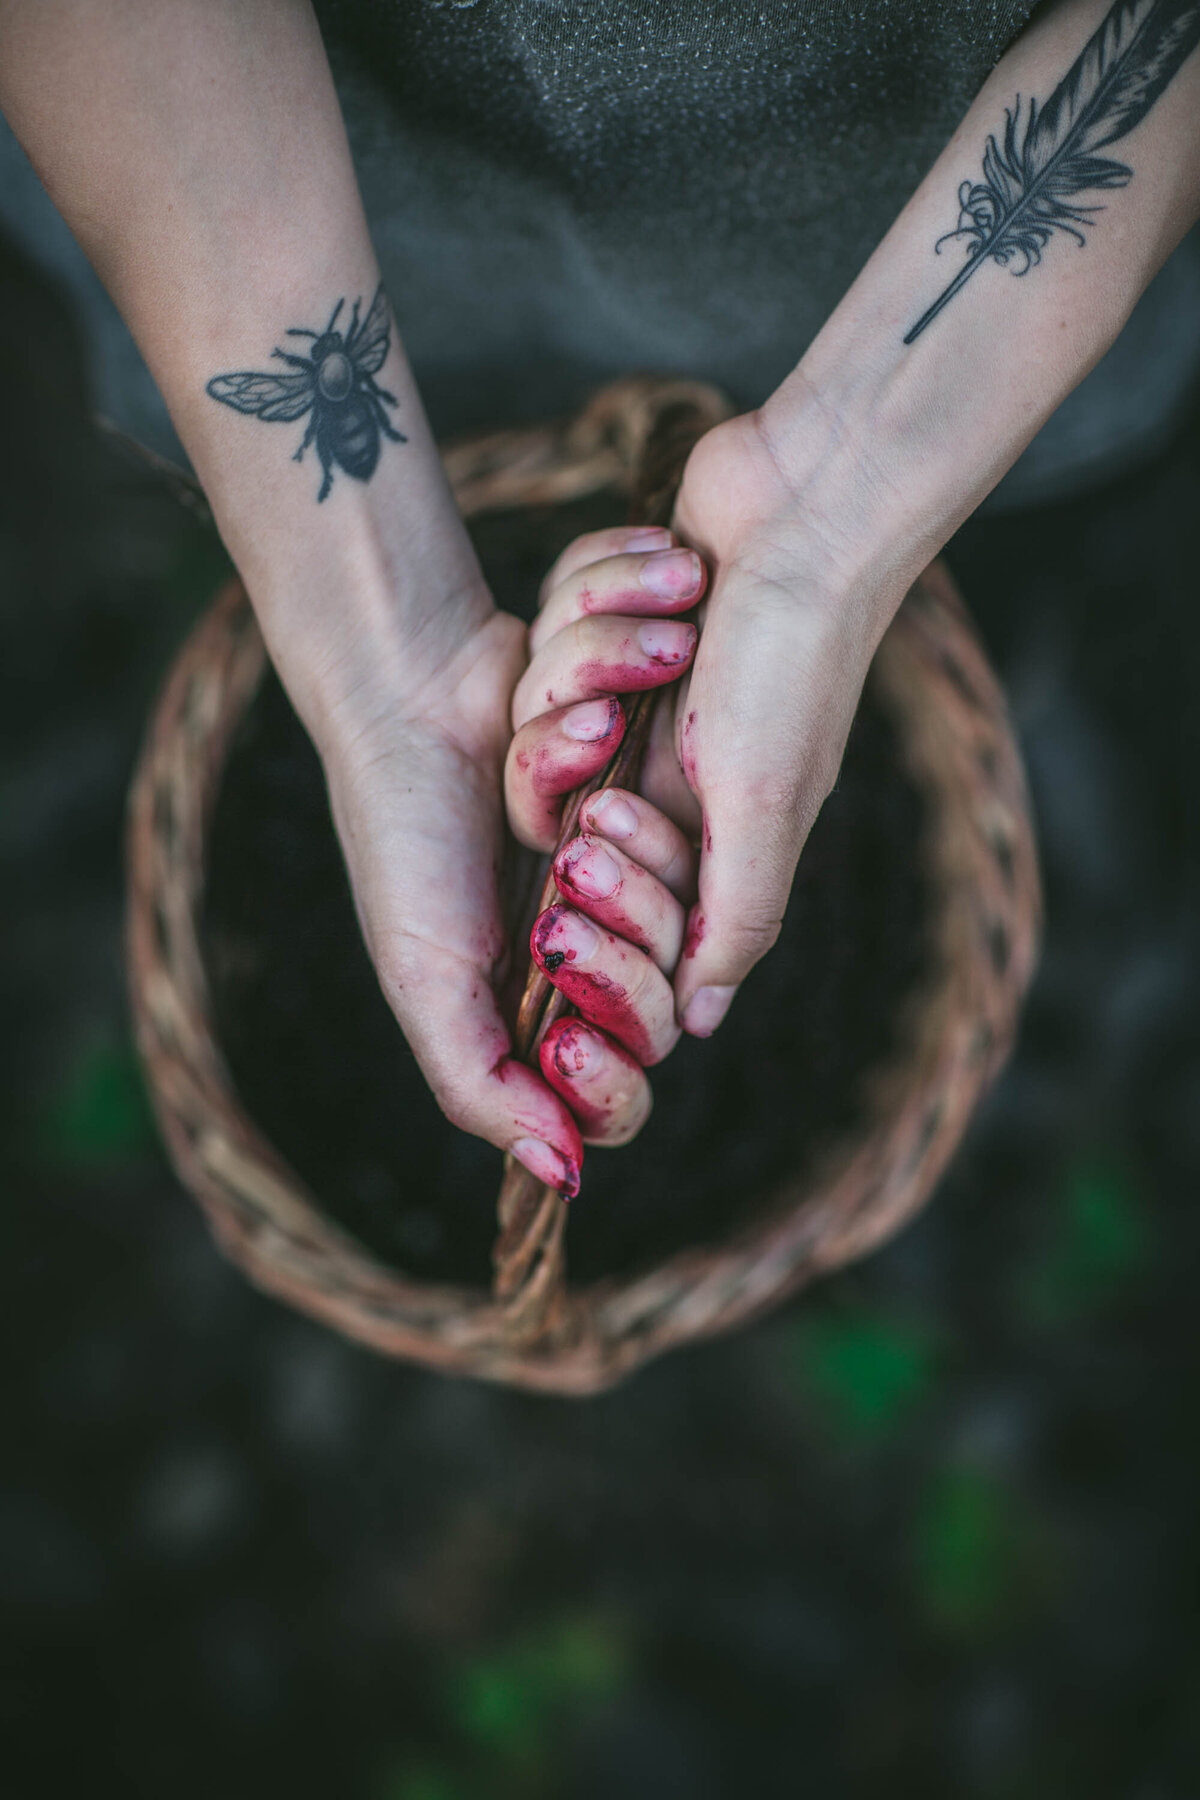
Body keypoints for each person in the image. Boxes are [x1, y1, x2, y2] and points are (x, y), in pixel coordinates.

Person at [1, 0, 1197, 1196]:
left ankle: (988, 625)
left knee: (971, 567)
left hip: (980, 317)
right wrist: (371, 626)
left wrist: (851, 500)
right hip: (311, 221)